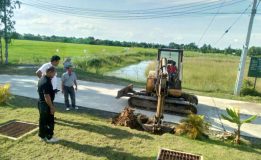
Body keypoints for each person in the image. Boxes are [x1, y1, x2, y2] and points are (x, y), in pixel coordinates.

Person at [37, 66, 59, 143]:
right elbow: (46, 96)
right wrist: (51, 107)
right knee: (49, 120)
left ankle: (42, 136)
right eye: (54, 73)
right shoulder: (46, 81)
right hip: (46, 104)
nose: (54, 75)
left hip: (41, 103)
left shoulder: (42, 79)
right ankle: (49, 137)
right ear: (49, 72)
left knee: (43, 121)